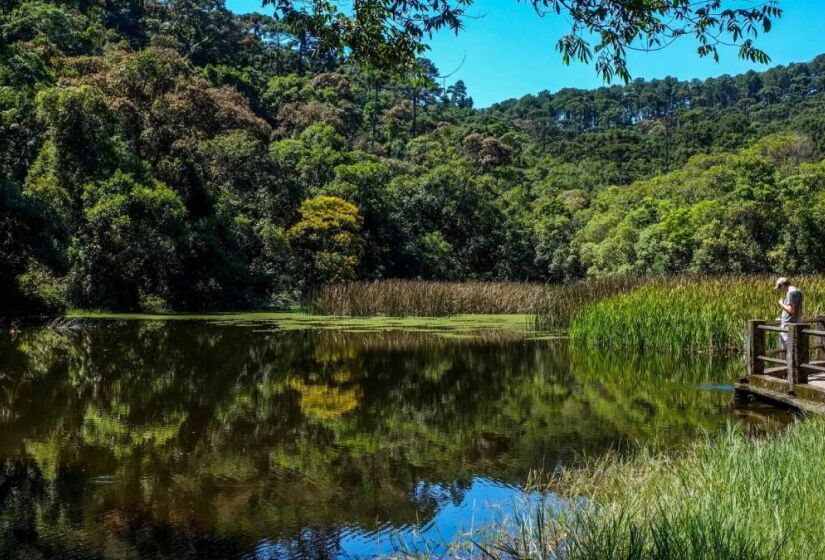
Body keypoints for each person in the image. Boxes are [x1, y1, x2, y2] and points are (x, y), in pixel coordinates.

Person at [776, 277, 803, 349]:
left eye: (779, 288)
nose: (780, 290)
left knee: (786, 348)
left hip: (788, 325)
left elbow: (791, 310)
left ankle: (786, 360)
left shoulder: (790, 293)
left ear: (782, 285)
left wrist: (781, 304)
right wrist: (782, 318)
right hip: (796, 322)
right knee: (794, 348)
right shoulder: (798, 291)